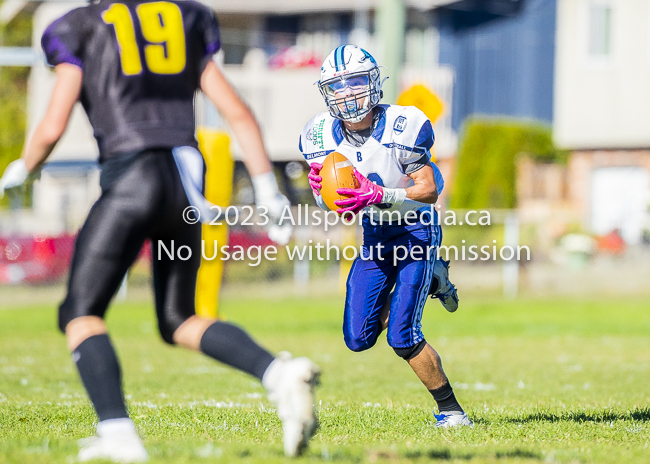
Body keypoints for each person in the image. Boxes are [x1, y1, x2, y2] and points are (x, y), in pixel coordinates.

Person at [0, 0, 319, 461]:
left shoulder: (81, 25)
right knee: (179, 319)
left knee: (79, 313)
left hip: (132, 179)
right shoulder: (187, 16)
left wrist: (24, 167)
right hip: (187, 188)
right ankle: (277, 374)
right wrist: (269, 190)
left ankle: (117, 434)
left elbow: (52, 125)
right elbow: (238, 112)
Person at [299, 45, 471, 428]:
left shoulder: (402, 125)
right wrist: (320, 192)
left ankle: (452, 412)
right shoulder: (319, 135)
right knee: (357, 338)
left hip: (415, 230)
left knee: (403, 336)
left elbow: (429, 189)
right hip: (374, 236)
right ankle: (435, 280)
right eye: (338, 87)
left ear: (374, 82)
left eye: (356, 82)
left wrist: (383, 194)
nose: (347, 94)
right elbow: (337, 205)